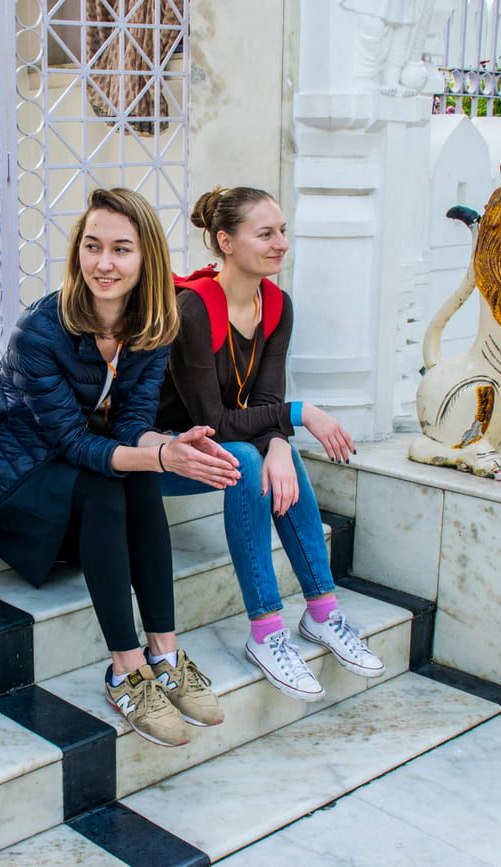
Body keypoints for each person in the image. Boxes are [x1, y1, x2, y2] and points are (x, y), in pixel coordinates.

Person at [0, 188, 239, 748]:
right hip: (4, 473)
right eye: (93, 246)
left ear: (146, 259)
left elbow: (130, 424)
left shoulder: (154, 326)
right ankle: (125, 668)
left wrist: (174, 445)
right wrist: (157, 455)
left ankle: (167, 653)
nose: (104, 264)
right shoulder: (43, 329)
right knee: (114, 485)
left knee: (137, 476)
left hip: (66, 460)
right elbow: (75, 443)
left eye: (121, 250)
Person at [157, 186, 386, 703]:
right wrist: (296, 417)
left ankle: (323, 613)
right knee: (243, 457)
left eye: (282, 230)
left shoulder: (276, 303)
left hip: (224, 443)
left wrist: (281, 442)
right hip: (163, 450)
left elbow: (264, 397)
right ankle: (266, 631)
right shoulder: (193, 309)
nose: (281, 242)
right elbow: (209, 420)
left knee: (272, 457)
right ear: (226, 242)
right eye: (265, 233)